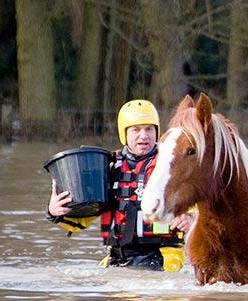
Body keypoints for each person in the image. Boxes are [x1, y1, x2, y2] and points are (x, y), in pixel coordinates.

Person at [46, 99, 193, 272]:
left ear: (157, 131)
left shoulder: (173, 163)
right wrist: (55, 210)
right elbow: (83, 216)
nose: (144, 135)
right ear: (124, 134)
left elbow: (200, 206)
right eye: (136, 130)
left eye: (149, 129)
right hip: (116, 255)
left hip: (163, 255)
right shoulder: (107, 166)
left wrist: (191, 219)